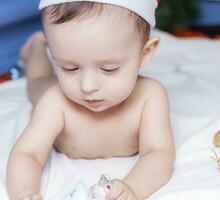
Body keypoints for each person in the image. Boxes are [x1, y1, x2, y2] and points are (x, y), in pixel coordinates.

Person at [6, 1, 175, 199]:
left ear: (145, 53)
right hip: (48, 91)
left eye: (108, 69)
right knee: (37, 81)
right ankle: (36, 47)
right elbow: (27, 153)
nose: (87, 86)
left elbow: (159, 153)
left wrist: (133, 189)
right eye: (69, 68)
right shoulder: (56, 102)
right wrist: (25, 193)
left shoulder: (150, 97)